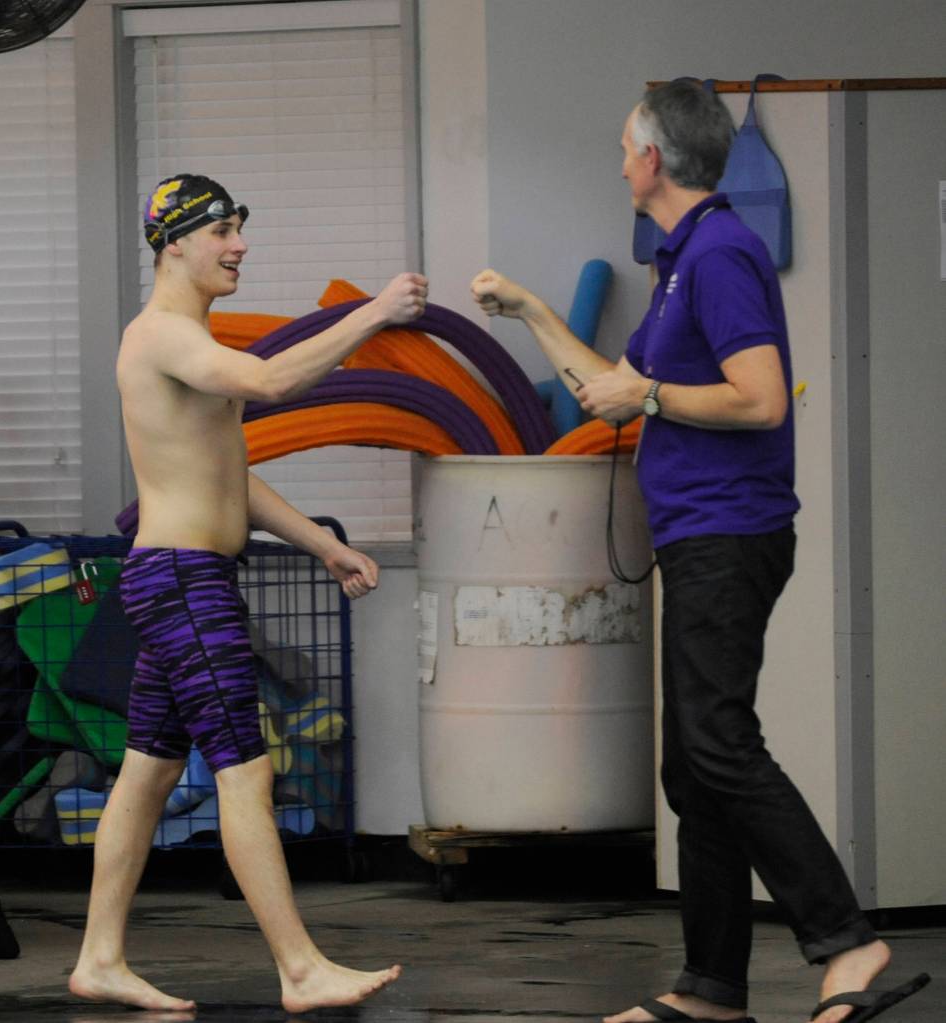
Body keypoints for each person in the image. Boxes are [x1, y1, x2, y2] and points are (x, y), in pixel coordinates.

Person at [471, 81, 928, 1023]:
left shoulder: (721, 253)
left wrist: (652, 401)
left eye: (623, 145)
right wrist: (530, 310)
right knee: (693, 762)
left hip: (731, 531)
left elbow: (759, 399)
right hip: (700, 532)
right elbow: (614, 384)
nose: (618, 161)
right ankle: (712, 988)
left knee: (718, 742)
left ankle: (847, 938)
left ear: (651, 159)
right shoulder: (680, 261)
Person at [68, 174, 428, 1014]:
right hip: (187, 582)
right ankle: (300, 968)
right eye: (222, 230)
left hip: (183, 575)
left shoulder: (190, 339)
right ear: (175, 243)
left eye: (239, 227)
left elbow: (230, 472)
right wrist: (372, 314)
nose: (239, 245)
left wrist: (323, 542)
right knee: (245, 771)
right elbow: (270, 384)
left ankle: (100, 956)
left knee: (146, 776)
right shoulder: (162, 336)